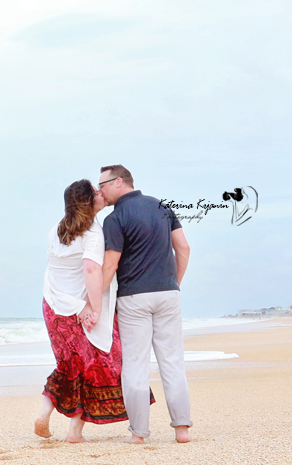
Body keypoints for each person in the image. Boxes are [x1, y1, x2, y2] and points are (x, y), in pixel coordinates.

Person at [34, 179, 135, 442]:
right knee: (90, 366)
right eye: (96, 192)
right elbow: (91, 270)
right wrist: (96, 308)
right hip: (78, 309)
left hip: (52, 305)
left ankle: (44, 414)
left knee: (66, 364)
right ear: (89, 202)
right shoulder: (92, 233)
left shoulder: (57, 229)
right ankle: (74, 432)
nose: (102, 194)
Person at [98, 165, 192, 444]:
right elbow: (183, 247)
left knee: (136, 365)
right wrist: (174, 282)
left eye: (102, 184)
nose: (99, 190)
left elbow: (111, 264)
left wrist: (92, 302)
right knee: (172, 361)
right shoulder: (161, 206)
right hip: (167, 293)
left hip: (133, 297)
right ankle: (182, 429)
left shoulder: (115, 218)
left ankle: (139, 433)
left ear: (118, 182)